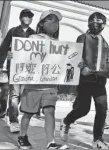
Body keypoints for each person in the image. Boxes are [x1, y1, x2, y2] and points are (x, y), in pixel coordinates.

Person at [8, 10, 69, 149]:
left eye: (57, 21)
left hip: (51, 86)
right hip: (32, 86)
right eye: (51, 19)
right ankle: (22, 136)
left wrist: (75, 64)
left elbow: (63, 63)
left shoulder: (58, 43)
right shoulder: (32, 39)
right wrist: (13, 55)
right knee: (28, 114)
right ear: (41, 23)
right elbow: (21, 57)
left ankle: (51, 143)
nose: (55, 23)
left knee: (50, 112)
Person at [59, 12, 109, 149]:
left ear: (104, 24)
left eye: (98, 20)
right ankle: (66, 121)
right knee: (83, 109)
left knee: (102, 109)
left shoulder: (105, 43)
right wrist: (82, 68)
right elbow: (76, 55)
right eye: (92, 20)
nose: (95, 23)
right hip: (85, 81)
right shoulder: (83, 37)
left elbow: (105, 62)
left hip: (100, 82)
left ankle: (97, 140)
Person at [0, 9, 35, 133]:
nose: (28, 18)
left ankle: (10, 112)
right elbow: (3, 48)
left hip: (28, 68)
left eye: (30, 16)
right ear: (20, 17)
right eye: (25, 16)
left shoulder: (33, 33)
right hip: (14, 67)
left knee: (22, 94)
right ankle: (13, 121)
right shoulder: (13, 31)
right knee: (14, 94)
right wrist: (0, 64)